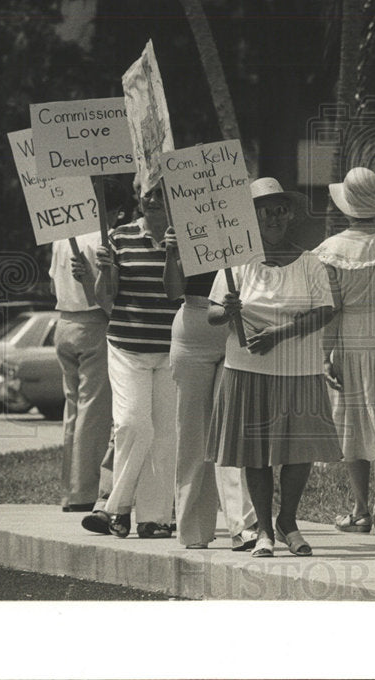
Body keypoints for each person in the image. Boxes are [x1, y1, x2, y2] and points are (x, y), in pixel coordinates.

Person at [207, 177, 342, 558]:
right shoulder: (236, 264)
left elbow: (325, 312)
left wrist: (281, 333)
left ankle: (288, 520)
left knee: (299, 452)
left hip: (298, 370)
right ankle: (264, 530)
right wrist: (227, 310)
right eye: (265, 210)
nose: (273, 217)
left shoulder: (311, 261)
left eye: (280, 209)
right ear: (251, 217)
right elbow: (214, 315)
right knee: (256, 452)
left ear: (291, 214)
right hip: (248, 369)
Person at [316, 167, 375, 537]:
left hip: (351, 337)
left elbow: (331, 309)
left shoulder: (331, 251)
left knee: (352, 420)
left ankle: (359, 508)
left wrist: (324, 356)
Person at [93, 181, 181, 539]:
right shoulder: (119, 237)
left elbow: (181, 292)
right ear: (137, 197)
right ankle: (117, 507)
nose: (153, 200)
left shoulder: (187, 240)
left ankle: (154, 518)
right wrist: (104, 270)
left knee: (164, 436)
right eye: (147, 193)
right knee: (133, 425)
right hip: (127, 347)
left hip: (171, 349)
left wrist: (175, 255)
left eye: (162, 192)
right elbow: (103, 298)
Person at [162, 229, 257, 551]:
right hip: (192, 332)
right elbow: (172, 291)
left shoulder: (245, 227)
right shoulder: (183, 228)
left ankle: (241, 525)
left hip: (234, 327)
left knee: (231, 431)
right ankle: (192, 529)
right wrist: (172, 254)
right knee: (192, 435)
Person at [49, 180, 130, 514]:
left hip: (62, 323)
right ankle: (84, 491)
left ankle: (69, 489)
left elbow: (50, 279)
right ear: (115, 211)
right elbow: (106, 292)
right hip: (92, 323)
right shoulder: (105, 239)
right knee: (93, 414)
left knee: (73, 411)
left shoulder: (61, 238)